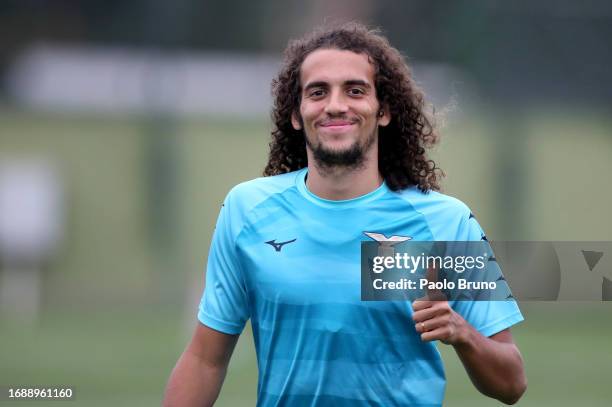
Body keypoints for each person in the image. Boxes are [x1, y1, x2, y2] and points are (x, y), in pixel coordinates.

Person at [163, 22, 526, 406]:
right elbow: (204, 360)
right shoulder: (246, 211)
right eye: (318, 92)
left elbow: (512, 382)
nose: (336, 104)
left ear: (383, 110)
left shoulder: (445, 221)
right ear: (296, 114)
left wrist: (461, 332)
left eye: (355, 90)